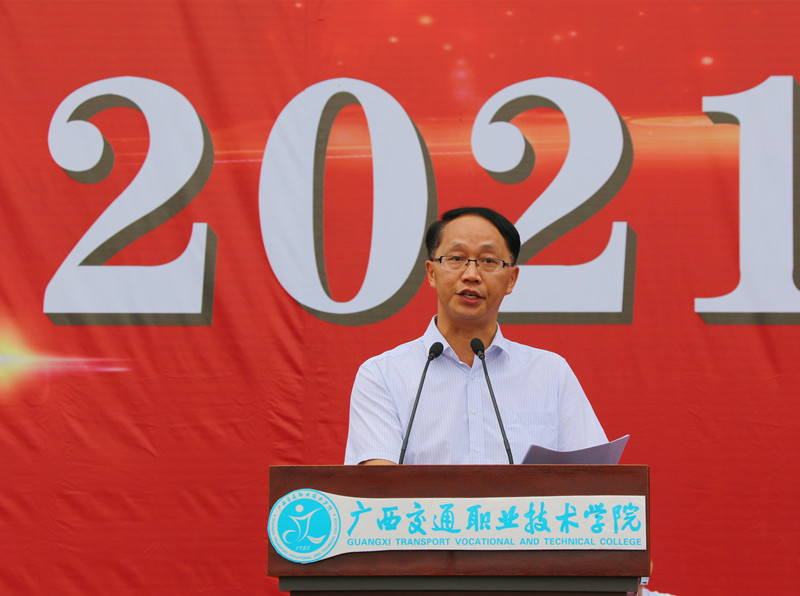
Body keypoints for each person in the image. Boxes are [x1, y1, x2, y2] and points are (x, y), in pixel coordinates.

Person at [344, 206, 607, 465]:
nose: (471, 275)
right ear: (432, 272)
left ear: (511, 279)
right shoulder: (383, 375)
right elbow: (378, 485)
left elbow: (594, 477)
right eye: (456, 258)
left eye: (489, 261)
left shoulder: (551, 373)